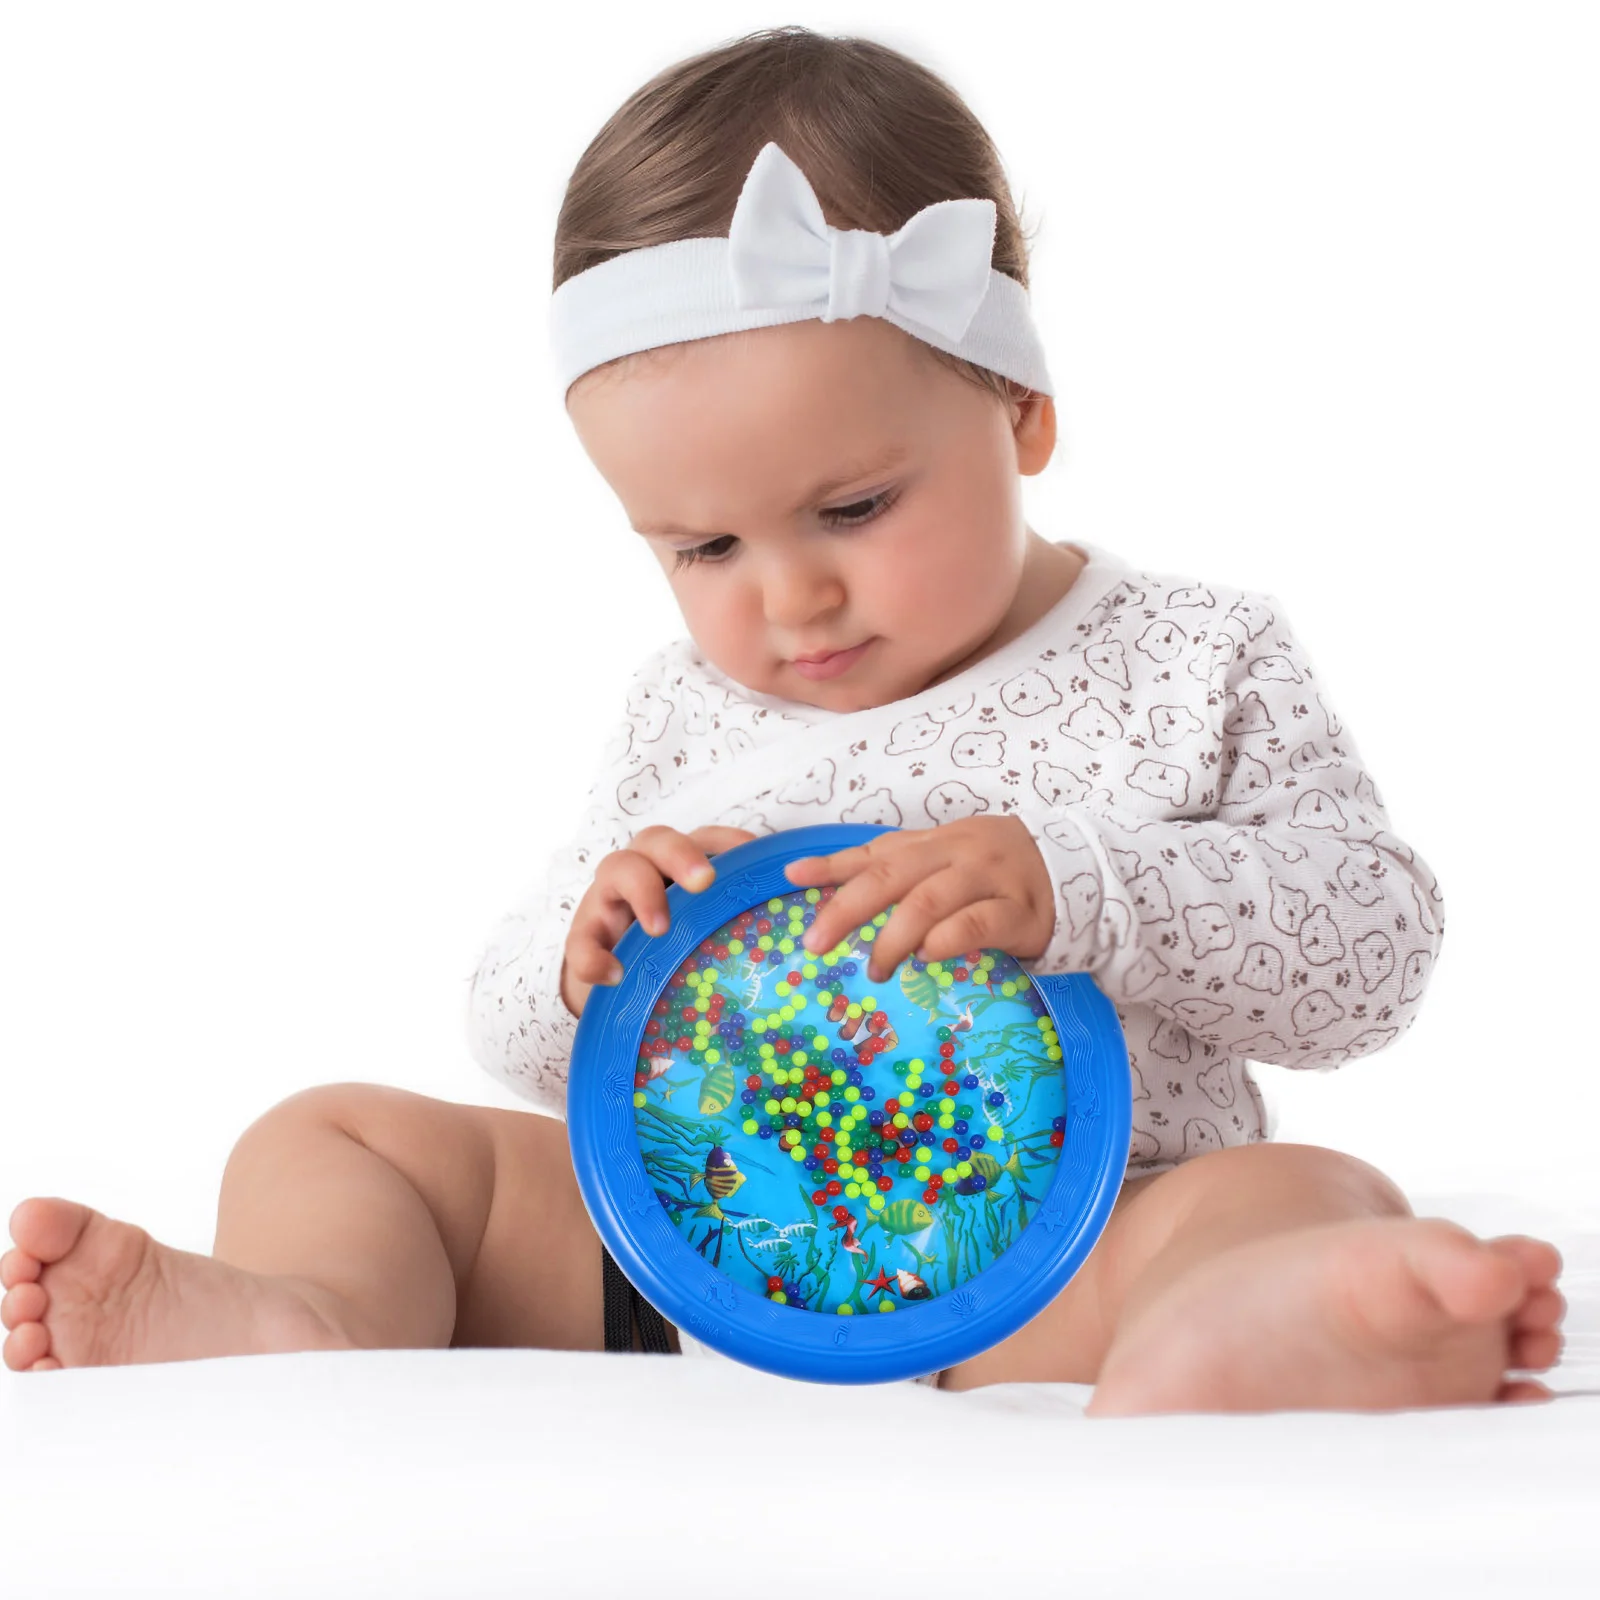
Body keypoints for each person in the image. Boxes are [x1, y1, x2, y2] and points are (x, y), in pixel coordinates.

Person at [2, 26, 1566, 1414]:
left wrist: (1082, 888)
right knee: (331, 1136)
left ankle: (1230, 1333)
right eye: (705, 547)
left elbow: (1375, 953)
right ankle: (310, 1317)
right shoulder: (684, 710)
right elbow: (518, 1038)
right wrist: (586, 949)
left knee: (1302, 1194)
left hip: (1059, 1259)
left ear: (1021, 409)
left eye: (855, 506)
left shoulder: (1191, 657)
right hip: (683, 1255)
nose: (792, 598)